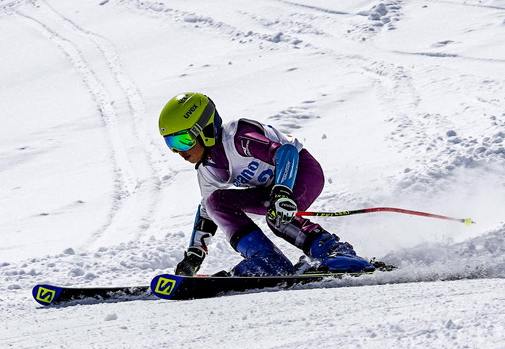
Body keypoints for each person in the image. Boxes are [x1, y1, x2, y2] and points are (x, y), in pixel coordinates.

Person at [157, 92, 373, 277]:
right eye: (171, 144)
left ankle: (337, 252)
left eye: (182, 140)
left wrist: (282, 193)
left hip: (301, 172)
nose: (179, 151)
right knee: (215, 202)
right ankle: (268, 262)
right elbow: (206, 213)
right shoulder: (208, 169)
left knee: (277, 214)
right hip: (272, 191)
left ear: (204, 130)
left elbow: (286, 153)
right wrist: (193, 257)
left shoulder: (238, 138)